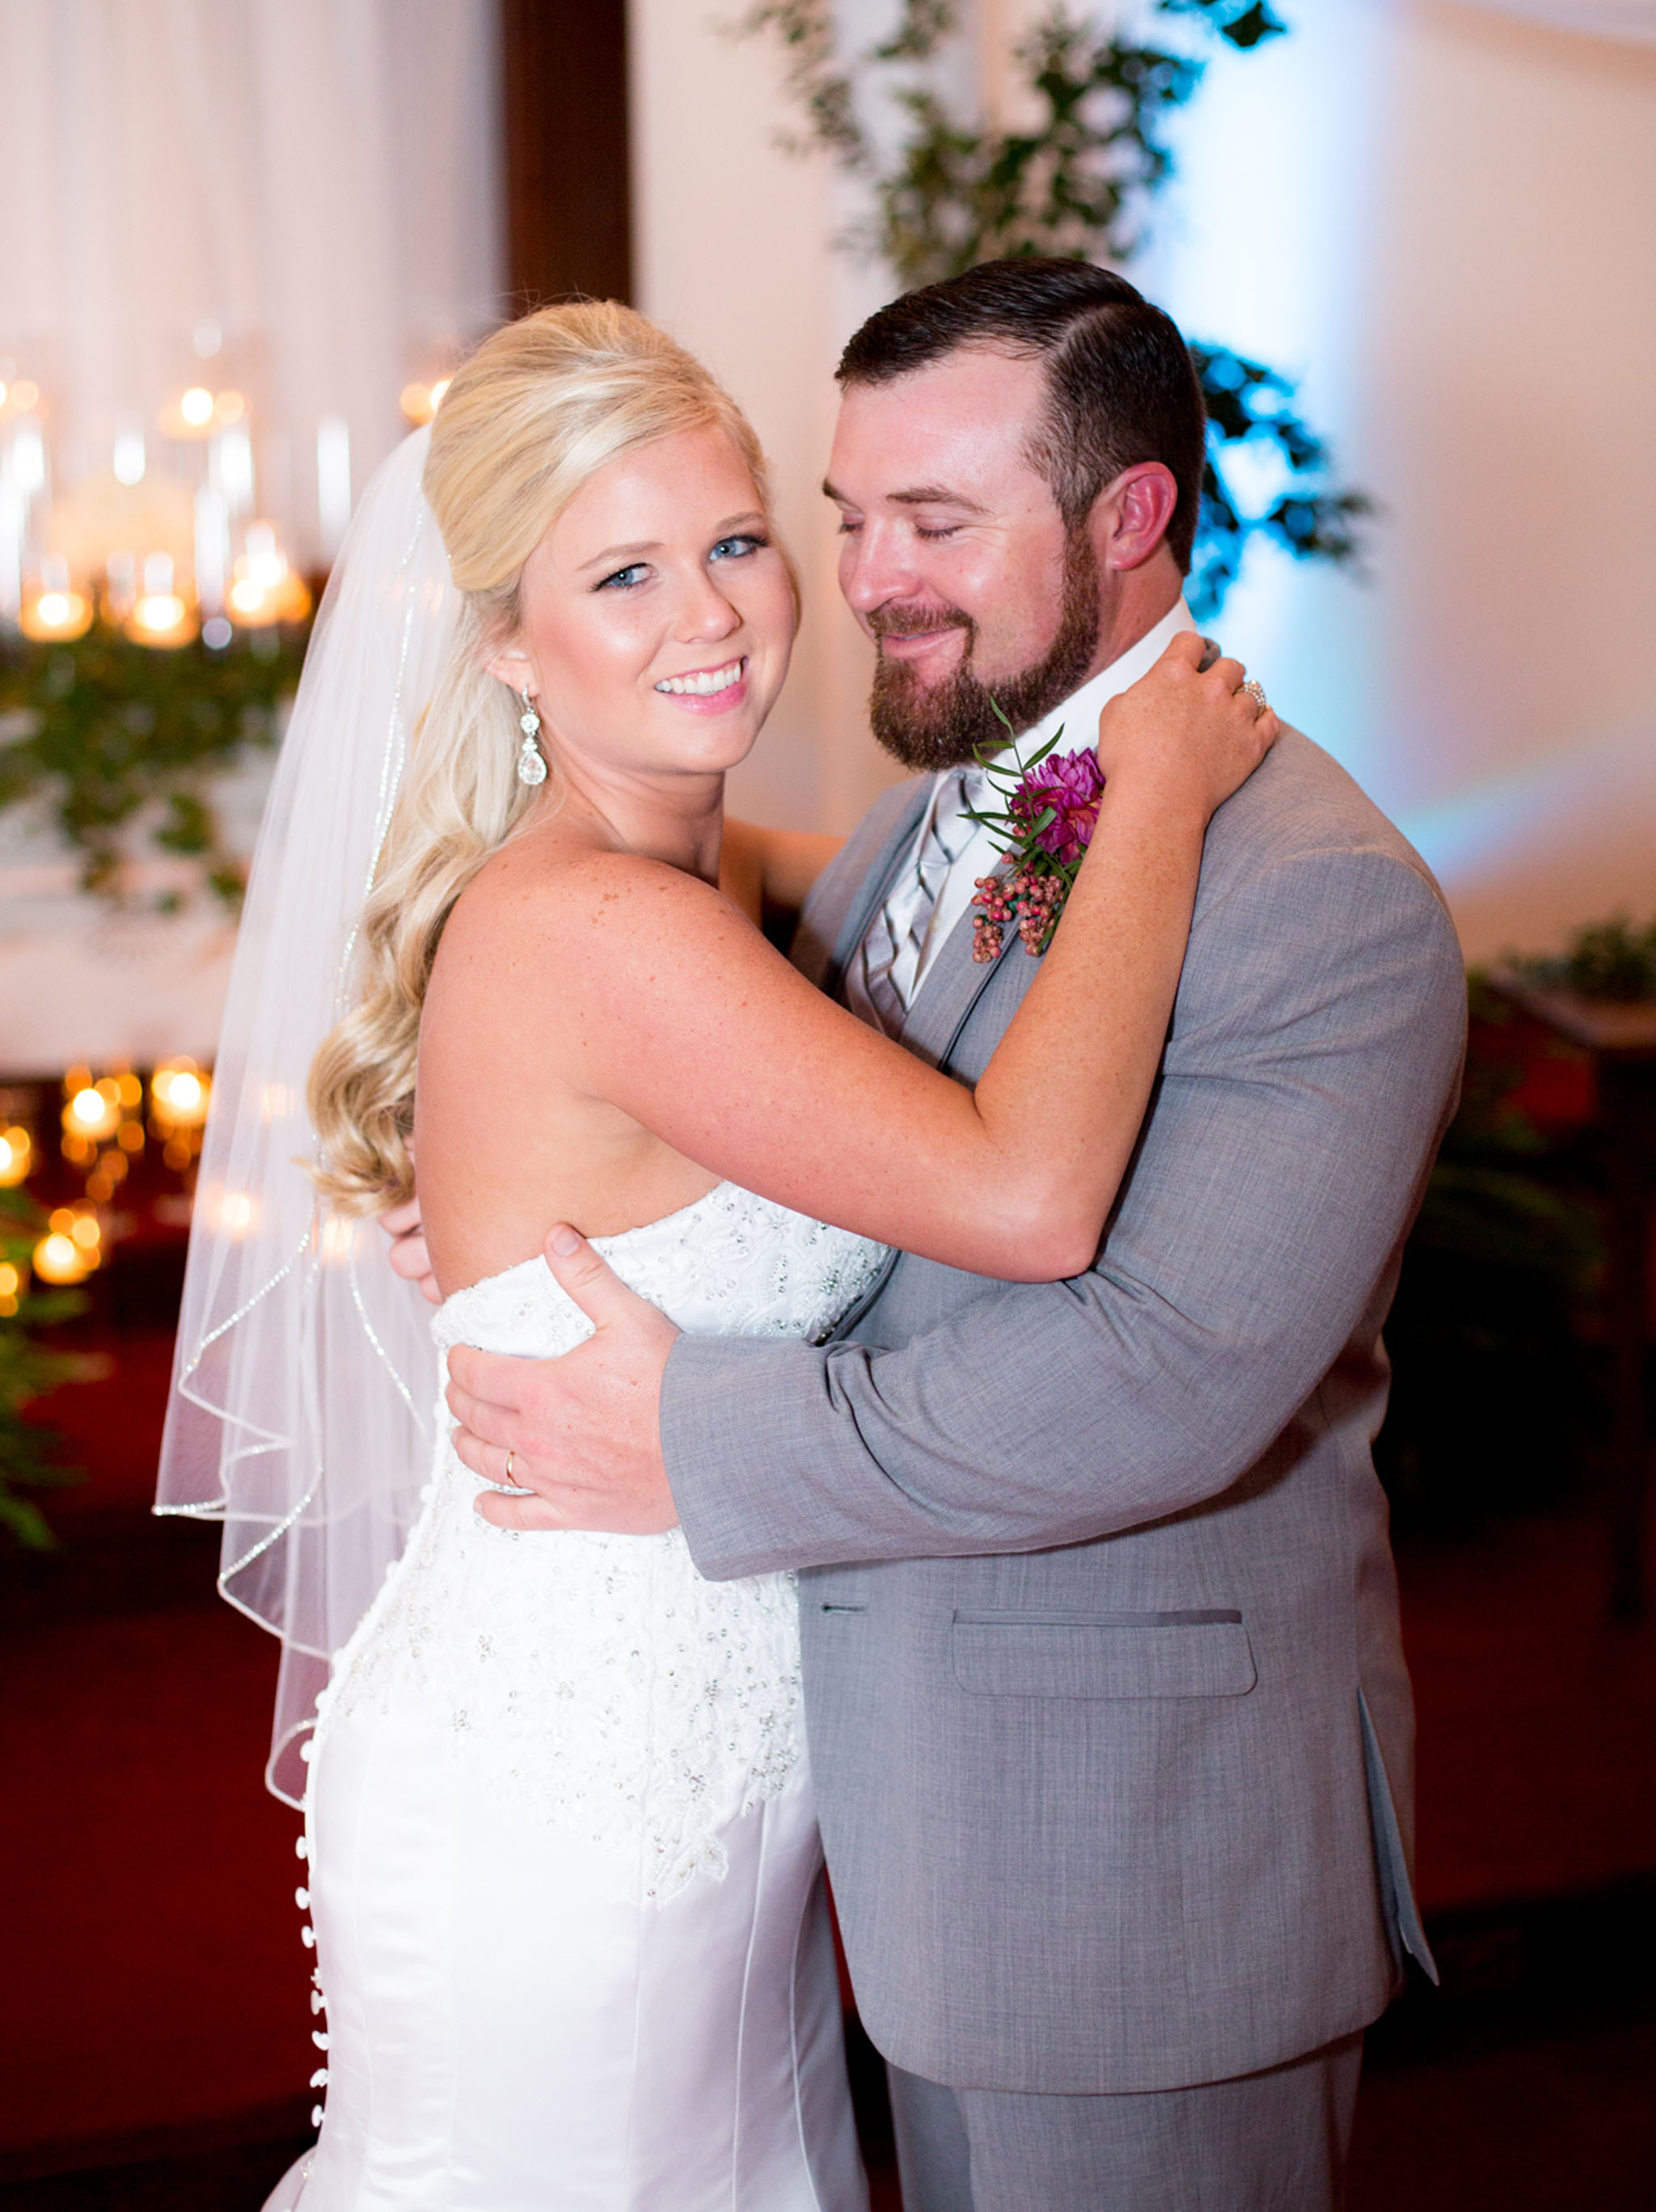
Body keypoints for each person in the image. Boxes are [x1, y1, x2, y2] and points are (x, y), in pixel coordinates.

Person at [159, 294, 1273, 2212]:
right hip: (568, 1781)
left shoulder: (725, 868)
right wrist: (1156, 793)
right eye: (623, 575)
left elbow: (945, 933)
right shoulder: (605, 925)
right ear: (505, 638)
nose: (715, 616)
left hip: (720, 1753)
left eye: (738, 542)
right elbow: (1024, 1197)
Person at [427, 261, 1469, 2212]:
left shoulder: (1316, 900)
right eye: (844, 519)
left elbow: (1154, 1383)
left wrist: (689, 1433)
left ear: (1127, 517)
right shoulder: (927, 820)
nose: (865, 581)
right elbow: (773, 1121)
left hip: (1140, 1860)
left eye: (932, 522)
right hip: (896, 1832)